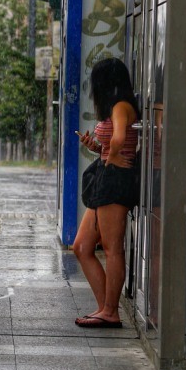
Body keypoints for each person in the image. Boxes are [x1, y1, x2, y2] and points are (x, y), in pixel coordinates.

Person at [73, 57, 140, 329]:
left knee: (113, 249)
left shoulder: (122, 106)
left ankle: (110, 311)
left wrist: (111, 156)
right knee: (82, 246)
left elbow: (120, 138)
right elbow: (111, 142)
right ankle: (105, 308)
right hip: (106, 178)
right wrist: (96, 147)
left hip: (115, 181)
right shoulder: (116, 107)